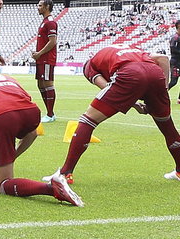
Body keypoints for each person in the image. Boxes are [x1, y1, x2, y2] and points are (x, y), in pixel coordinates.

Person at [47, 45, 180, 186]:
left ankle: (65, 173)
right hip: (155, 73)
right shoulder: (133, 51)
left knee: (88, 120)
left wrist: (133, 104)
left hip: (129, 73)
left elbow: (105, 86)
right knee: (167, 127)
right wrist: (163, 92)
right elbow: (163, 59)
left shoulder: (89, 65)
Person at [0, 72, 82, 205]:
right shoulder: (9, 79)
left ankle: (51, 188)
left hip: (1, 116)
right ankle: (1, 164)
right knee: (22, 133)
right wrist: (6, 159)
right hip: (32, 112)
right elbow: (32, 133)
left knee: (2, 185)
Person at [31, 0, 59, 122]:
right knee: (40, 84)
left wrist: (40, 53)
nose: (38, 7)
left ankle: (50, 114)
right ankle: (49, 113)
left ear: (47, 6)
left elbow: (53, 41)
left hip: (47, 59)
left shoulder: (51, 22)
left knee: (48, 84)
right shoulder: (45, 22)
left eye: (40, 5)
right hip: (41, 59)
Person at [168, 20, 179, 96]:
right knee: (173, 82)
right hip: (175, 63)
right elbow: (173, 48)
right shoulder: (175, 38)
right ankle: (161, 94)